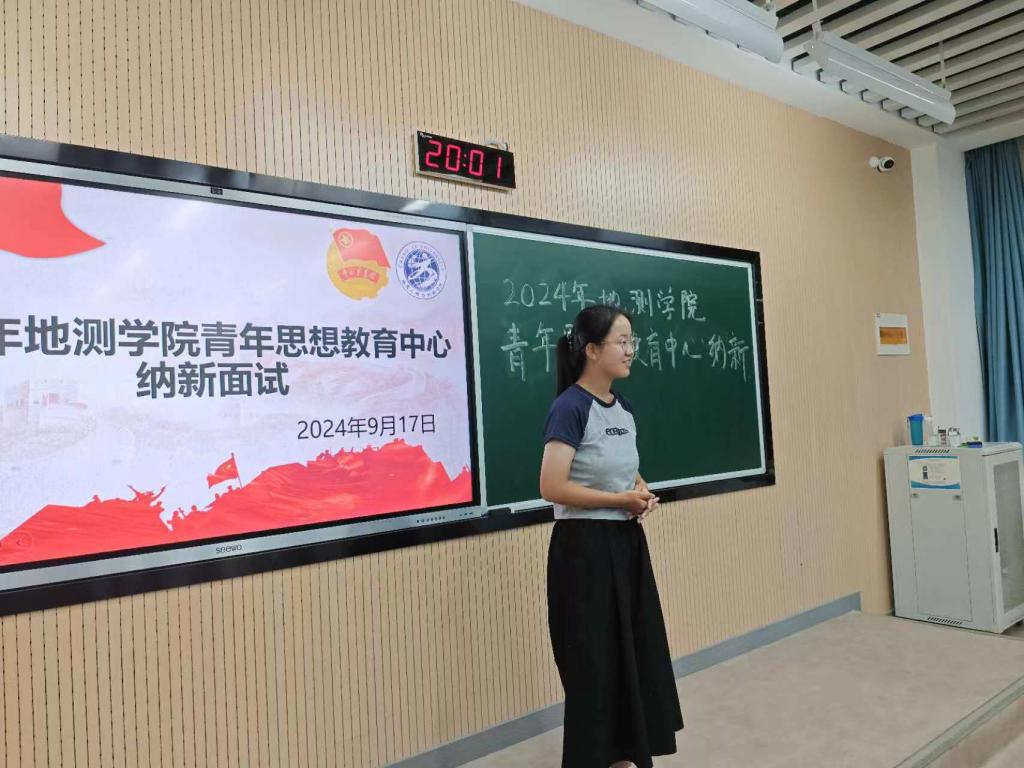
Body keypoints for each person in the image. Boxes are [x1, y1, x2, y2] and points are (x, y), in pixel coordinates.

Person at [540, 304, 684, 768]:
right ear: (591, 350)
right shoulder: (569, 407)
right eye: (621, 342)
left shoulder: (623, 407)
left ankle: (623, 753)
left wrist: (640, 491)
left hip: (626, 545)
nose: (630, 350)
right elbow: (552, 486)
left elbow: (623, 466)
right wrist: (619, 500)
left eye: (631, 341)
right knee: (594, 662)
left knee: (633, 652)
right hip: (583, 551)